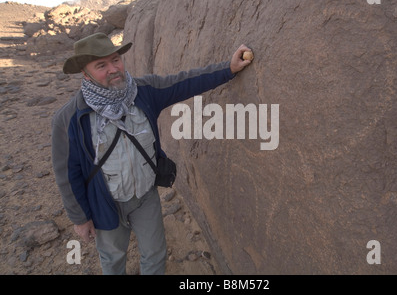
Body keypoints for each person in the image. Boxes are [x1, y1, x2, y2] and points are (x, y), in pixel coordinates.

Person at [51, 32, 252, 275]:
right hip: (105, 203)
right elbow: (67, 174)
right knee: (113, 259)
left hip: (145, 197)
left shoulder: (143, 91)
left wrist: (227, 69)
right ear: (86, 74)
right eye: (101, 65)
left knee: (155, 255)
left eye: (116, 60)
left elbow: (184, 82)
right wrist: (80, 218)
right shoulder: (69, 118)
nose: (114, 69)